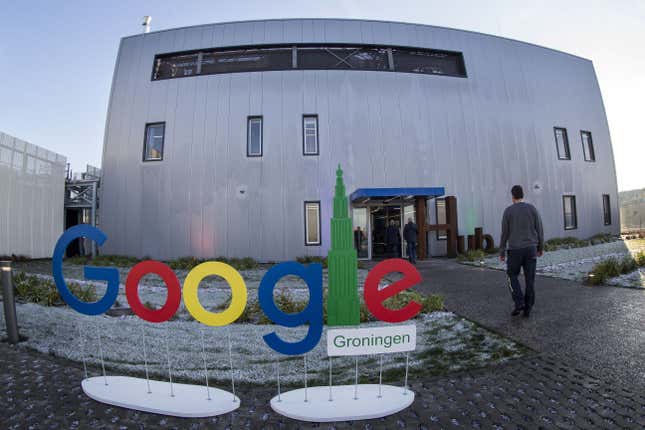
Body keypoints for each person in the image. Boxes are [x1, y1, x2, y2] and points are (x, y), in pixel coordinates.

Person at [499, 185, 544, 317]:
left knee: (511, 275)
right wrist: (540, 247)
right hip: (531, 249)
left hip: (515, 250)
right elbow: (539, 229)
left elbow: (504, 233)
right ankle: (528, 308)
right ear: (523, 195)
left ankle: (519, 302)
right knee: (530, 279)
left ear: (512, 196)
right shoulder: (532, 209)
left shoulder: (508, 211)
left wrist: (502, 251)